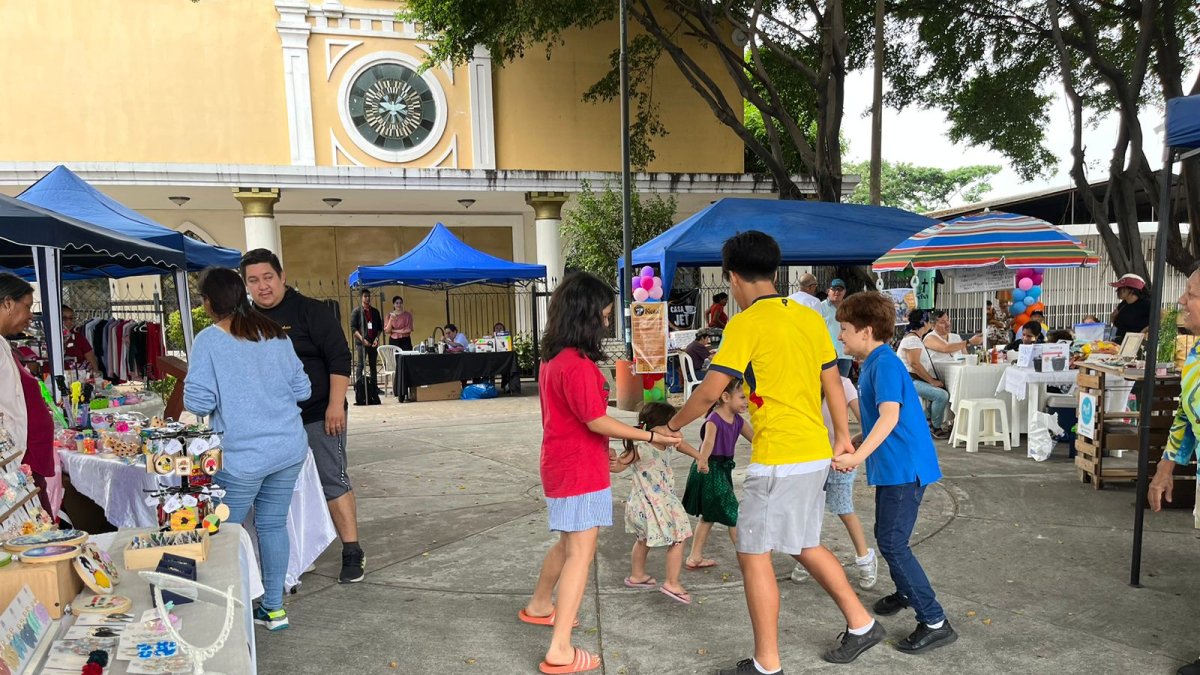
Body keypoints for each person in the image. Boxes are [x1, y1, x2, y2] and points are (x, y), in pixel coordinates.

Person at [659, 231, 883, 672]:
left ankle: (767, 663)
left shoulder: (745, 323)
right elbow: (832, 382)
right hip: (814, 451)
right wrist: (841, 433)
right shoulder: (809, 319)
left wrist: (670, 426)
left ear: (733, 278)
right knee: (802, 543)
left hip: (780, 457)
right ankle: (861, 624)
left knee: (752, 553)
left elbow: (708, 394)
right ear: (775, 272)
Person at [521, 272, 681, 675]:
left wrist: (609, 444)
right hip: (577, 470)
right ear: (586, 316)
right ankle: (559, 649)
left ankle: (541, 605)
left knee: (567, 544)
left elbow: (577, 419)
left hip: (565, 462)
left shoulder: (555, 359)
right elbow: (594, 419)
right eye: (605, 316)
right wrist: (648, 434)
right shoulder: (574, 364)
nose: (608, 323)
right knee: (581, 552)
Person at [183, 267, 311, 632]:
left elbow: (198, 400)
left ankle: (228, 611)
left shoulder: (209, 340)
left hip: (242, 456)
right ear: (242, 294)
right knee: (272, 525)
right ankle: (273, 609)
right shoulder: (275, 334)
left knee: (222, 530)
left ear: (208, 303)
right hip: (287, 448)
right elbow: (302, 389)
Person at [833, 291, 957, 654]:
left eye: (844, 329)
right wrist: (856, 441)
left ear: (866, 330)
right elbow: (880, 418)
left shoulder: (884, 363)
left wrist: (856, 458)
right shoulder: (874, 361)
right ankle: (905, 590)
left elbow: (889, 416)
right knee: (887, 536)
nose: (841, 336)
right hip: (895, 466)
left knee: (891, 543)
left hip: (904, 468)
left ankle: (934, 620)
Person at [240, 249, 366, 585]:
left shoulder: (311, 311)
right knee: (277, 489)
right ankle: (294, 552)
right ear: (246, 285)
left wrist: (335, 405)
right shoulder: (244, 321)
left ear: (282, 277)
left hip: (318, 415)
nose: (262, 286)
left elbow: (339, 359)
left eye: (268, 277)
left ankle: (352, 549)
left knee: (331, 478)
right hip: (271, 423)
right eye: (254, 280)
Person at [1149, 264, 1200, 675]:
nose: (1182, 301)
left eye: (1192, 294)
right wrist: (1165, 466)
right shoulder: (1196, 351)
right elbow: (1184, 415)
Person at [791, 374, 879, 590]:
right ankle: (807, 554)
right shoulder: (801, 381)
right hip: (808, 459)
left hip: (840, 458)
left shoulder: (843, 384)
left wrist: (854, 444)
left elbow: (867, 422)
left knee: (843, 508)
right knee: (809, 509)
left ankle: (865, 557)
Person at [615, 402, 703, 605]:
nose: (677, 431)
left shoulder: (667, 442)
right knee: (678, 538)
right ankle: (672, 582)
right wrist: (612, 461)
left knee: (643, 539)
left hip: (645, 505)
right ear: (656, 427)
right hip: (655, 504)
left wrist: (699, 456)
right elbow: (619, 466)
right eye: (673, 426)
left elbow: (682, 445)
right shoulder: (642, 448)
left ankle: (637, 576)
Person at [681, 378, 752, 570]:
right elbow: (708, 443)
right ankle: (748, 561)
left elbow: (756, 438)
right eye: (743, 397)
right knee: (734, 514)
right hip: (709, 469)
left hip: (724, 469)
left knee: (709, 515)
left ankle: (694, 557)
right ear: (726, 397)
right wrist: (702, 460)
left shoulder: (738, 420)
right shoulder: (713, 419)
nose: (747, 401)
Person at [0, 275, 54, 514]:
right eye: (28, 306)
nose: (31, 315)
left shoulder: (2, 344)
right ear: (8, 303)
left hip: (23, 462)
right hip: (15, 463)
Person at [897, 310, 951, 439]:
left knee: (941, 392)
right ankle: (935, 427)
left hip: (911, 379)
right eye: (929, 321)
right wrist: (932, 381)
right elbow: (914, 364)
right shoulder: (913, 340)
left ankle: (926, 421)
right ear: (924, 323)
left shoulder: (914, 338)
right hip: (909, 380)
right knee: (942, 395)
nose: (931, 324)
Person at [349, 289, 383, 406]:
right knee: (361, 364)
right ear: (361, 298)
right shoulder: (357, 311)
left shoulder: (375, 311)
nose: (367, 298)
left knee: (373, 365)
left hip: (373, 342)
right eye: (365, 296)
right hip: (361, 343)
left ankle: (374, 387)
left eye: (368, 296)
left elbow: (379, 327)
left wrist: (376, 339)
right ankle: (359, 387)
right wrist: (362, 340)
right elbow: (353, 329)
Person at [822, 279, 854, 376]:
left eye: (840, 290)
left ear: (844, 292)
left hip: (845, 354)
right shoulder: (821, 307)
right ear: (828, 291)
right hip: (827, 354)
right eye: (834, 289)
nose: (837, 292)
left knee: (843, 385)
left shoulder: (850, 308)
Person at [61, 305, 101, 375]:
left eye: (71, 318)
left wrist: (96, 376)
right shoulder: (46, 339)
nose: (68, 321)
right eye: (64, 318)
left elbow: (91, 359)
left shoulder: (78, 337)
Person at [1111, 273, 1152, 341]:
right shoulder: (1123, 304)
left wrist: (1145, 331)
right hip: (1118, 343)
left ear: (1132, 290)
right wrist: (1113, 318)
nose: (1117, 290)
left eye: (1121, 288)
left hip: (1137, 345)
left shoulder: (1146, 304)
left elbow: (1163, 318)